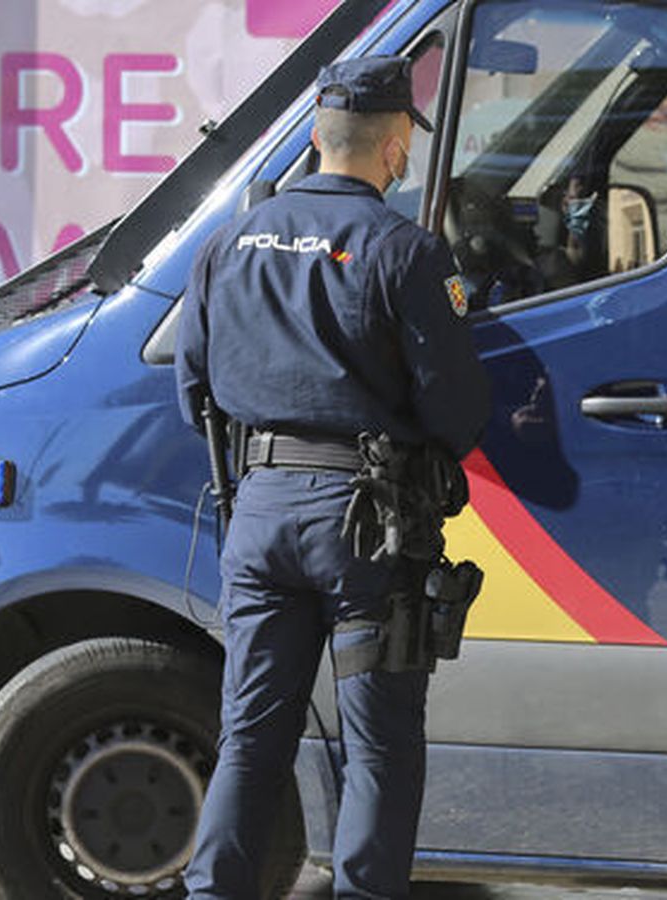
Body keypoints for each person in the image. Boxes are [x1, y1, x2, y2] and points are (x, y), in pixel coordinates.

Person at [175, 55, 491, 900]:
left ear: (317, 137)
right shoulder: (406, 252)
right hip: (367, 531)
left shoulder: (228, 243)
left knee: (249, 739)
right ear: (395, 149)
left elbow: (194, 391)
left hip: (261, 516)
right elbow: (456, 410)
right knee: (378, 746)